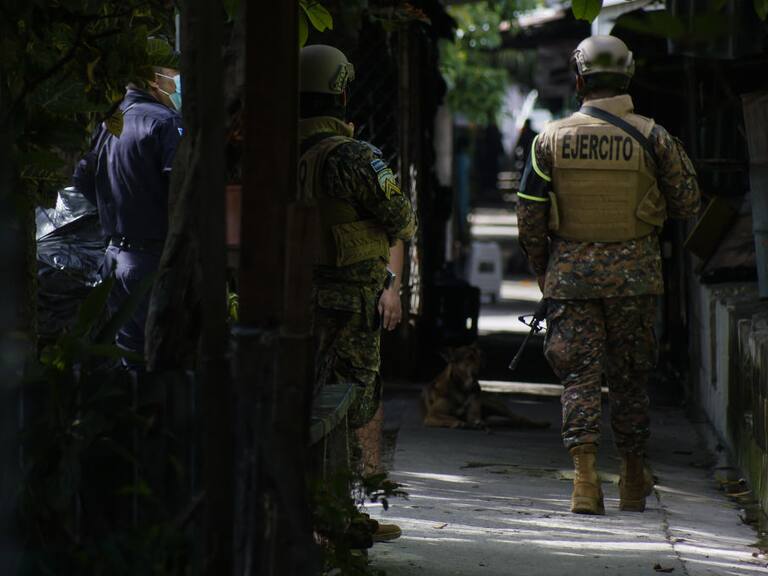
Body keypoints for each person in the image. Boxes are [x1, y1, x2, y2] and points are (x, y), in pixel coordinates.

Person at [516, 35, 700, 515]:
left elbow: (529, 215)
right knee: (630, 378)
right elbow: (687, 203)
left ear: (579, 80)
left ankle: (584, 479)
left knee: (579, 378)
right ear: (629, 76)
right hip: (635, 279)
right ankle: (633, 479)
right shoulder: (654, 136)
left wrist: (543, 271)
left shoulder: (548, 139)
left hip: (571, 281)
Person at [299, 44, 416, 540]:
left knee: (302, 403)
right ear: (343, 91)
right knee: (344, 408)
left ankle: (309, 515)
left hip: (295, 302)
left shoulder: (276, 149)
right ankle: (337, 520)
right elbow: (402, 219)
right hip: (348, 306)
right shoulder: (353, 156)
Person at [73, 61, 183, 367]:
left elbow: (82, 178)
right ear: (154, 79)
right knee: (162, 357)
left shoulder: (112, 122)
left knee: (129, 355)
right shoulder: (165, 122)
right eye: (174, 78)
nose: (177, 87)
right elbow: (183, 187)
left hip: (115, 259)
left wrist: (118, 207)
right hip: (153, 260)